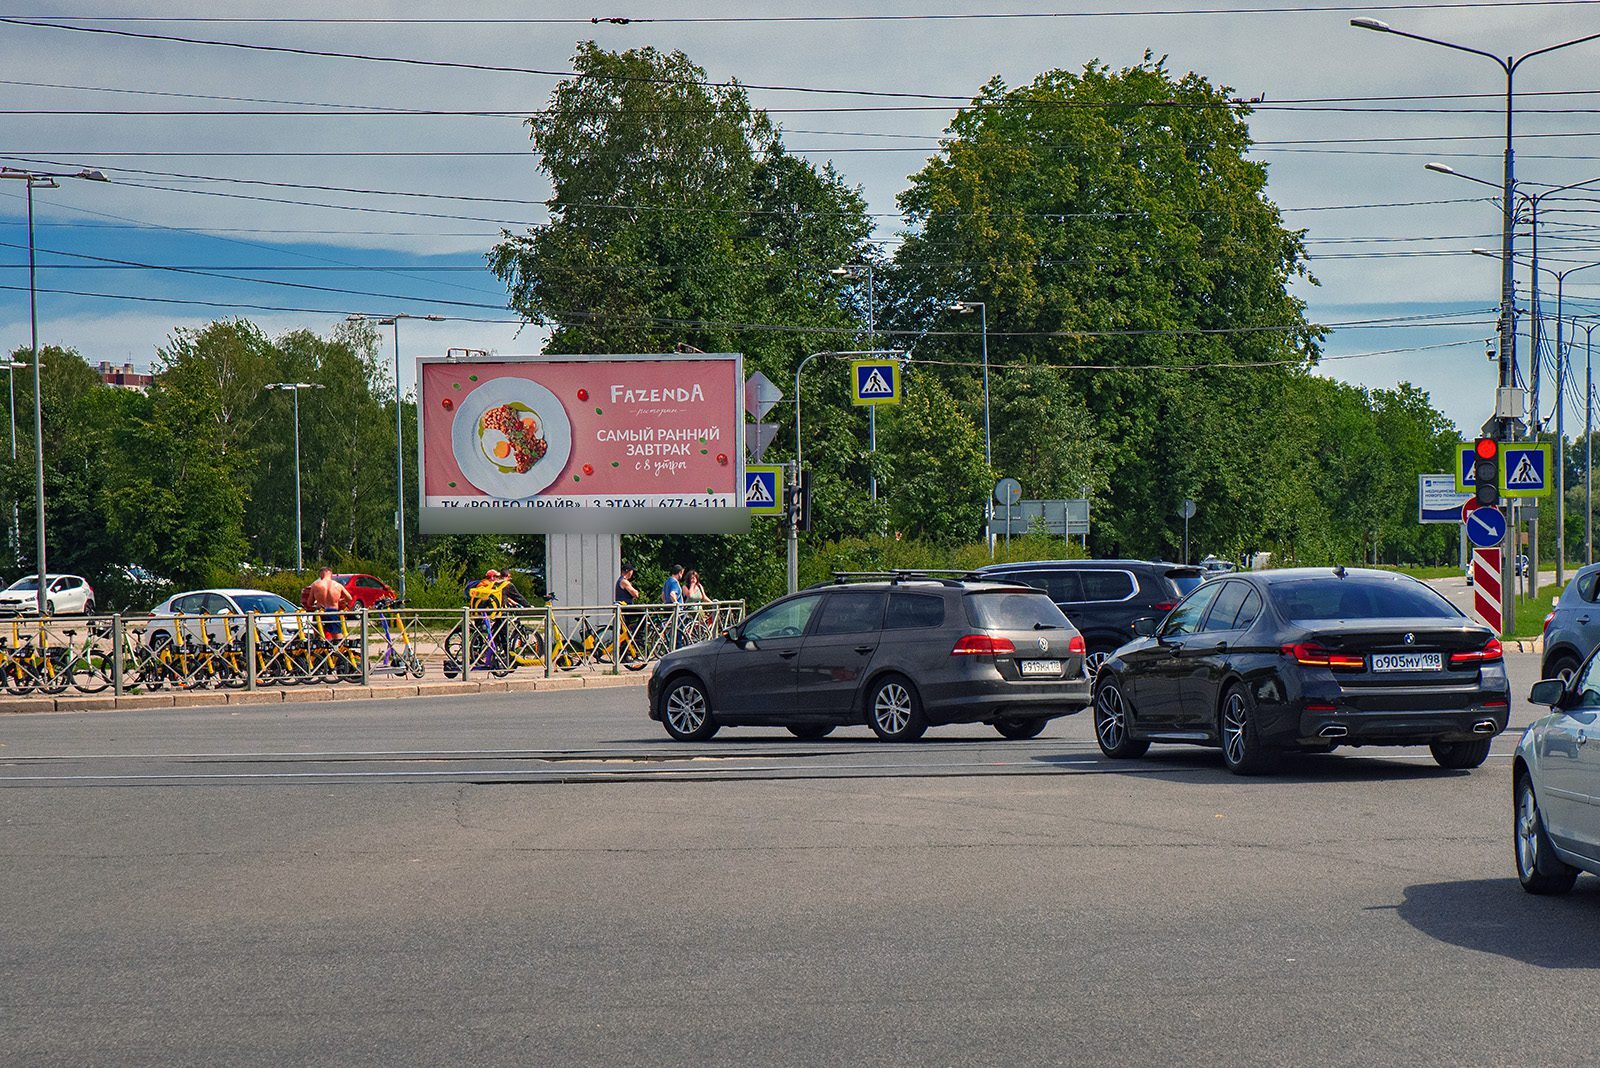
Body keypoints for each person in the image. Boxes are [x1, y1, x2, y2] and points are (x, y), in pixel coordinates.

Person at [306, 567, 355, 638]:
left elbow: (309, 603)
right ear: (331, 574)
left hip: (319, 612)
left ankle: (321, 648)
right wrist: (339, 601)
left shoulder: (316, 585)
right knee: (337, 636)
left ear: (321, 574)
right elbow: (349, 598)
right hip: (333, 611)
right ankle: (338, 648)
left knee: (318, 637)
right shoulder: (338, 585)